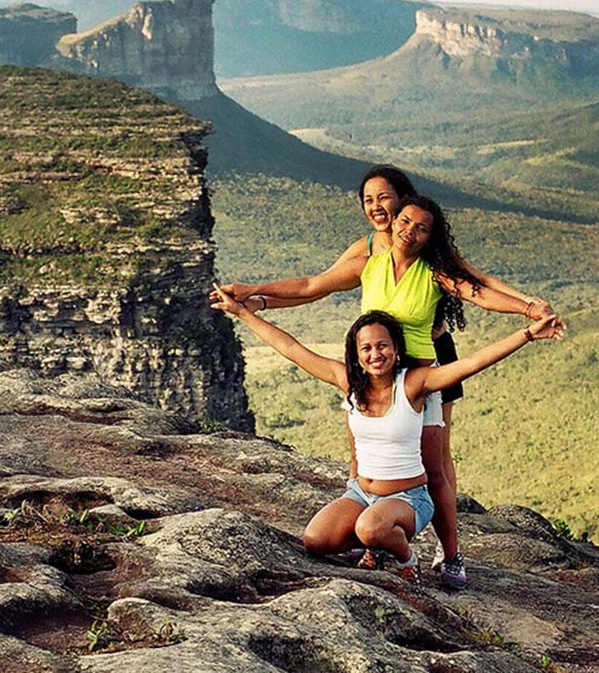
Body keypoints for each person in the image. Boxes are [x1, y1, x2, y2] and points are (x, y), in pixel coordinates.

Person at [213, 171, 555, 590]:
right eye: (373, 202)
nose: (404, 227)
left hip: (419, 379)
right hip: (372, 373)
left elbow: (478, 290)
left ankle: (449, 555)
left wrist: (527, 312)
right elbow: (310, 286)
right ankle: (370, 532)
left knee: (435, 467)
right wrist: (251, 296)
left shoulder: (433, 270)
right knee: (361, 456)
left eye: (416, 224)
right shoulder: (369, 260)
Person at [211, 287, 564, 582]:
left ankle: (407, 559)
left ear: (395, 350)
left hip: (409, 498)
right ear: (356, 354)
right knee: (315, 540)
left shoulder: (413, 384)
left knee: (370, 528)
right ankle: (374, 543)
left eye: (382, 346)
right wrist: (243, 314)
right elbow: (291, 348)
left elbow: (471, 364)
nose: (375, 354)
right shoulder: (347, 382)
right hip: (361, 493)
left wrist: (529, 333)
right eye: (366, 348)